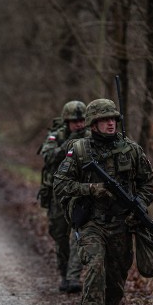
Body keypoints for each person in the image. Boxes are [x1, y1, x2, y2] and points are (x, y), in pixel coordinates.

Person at [54, 98, 153, 305]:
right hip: (92, 222)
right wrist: (91, 189)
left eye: (113, 119)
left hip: (122, 223)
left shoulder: (131, 149)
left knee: (117, 275)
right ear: (93, 123)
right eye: (104, 120)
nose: (110, 124)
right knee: (96, 266)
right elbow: (61, 183)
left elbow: (147, 183)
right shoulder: (79, 150)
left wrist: (138, 205)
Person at [39, 101, 90, 293]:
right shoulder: (56, 135)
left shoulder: (89, 136)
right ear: (66, 121)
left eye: (81, 120)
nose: (79, 124)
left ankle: (73, 277)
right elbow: (48, 155)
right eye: (74, 121)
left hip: (79, 193)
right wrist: (67, 147)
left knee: (78, 233)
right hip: (58, 193)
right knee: (60, 235)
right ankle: (64, 273)